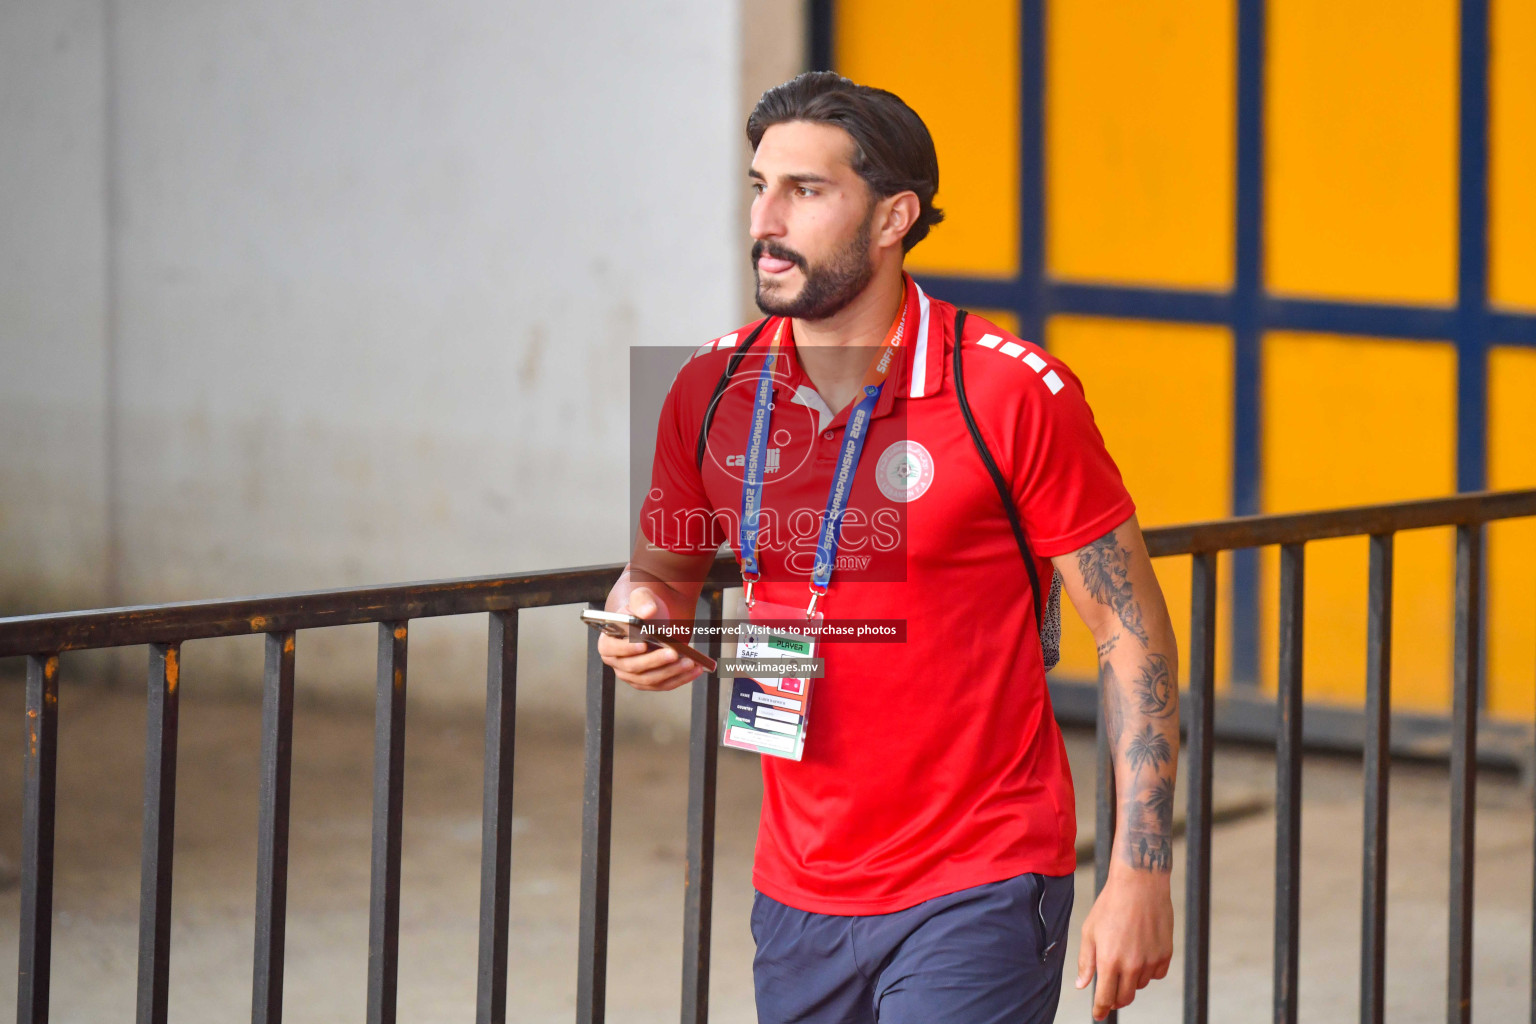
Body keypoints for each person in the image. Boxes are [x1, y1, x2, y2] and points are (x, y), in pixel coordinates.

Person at [599, 71, 1179, 1024]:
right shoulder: (709, 387)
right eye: (758, 187)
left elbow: (1132, 635)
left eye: (806, 190)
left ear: (892, 217)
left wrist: (1139, 873)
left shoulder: (1010, 393)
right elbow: (660, 573)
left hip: (981, 879)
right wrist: (641, 620)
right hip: (798, 888)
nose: (765, 220)